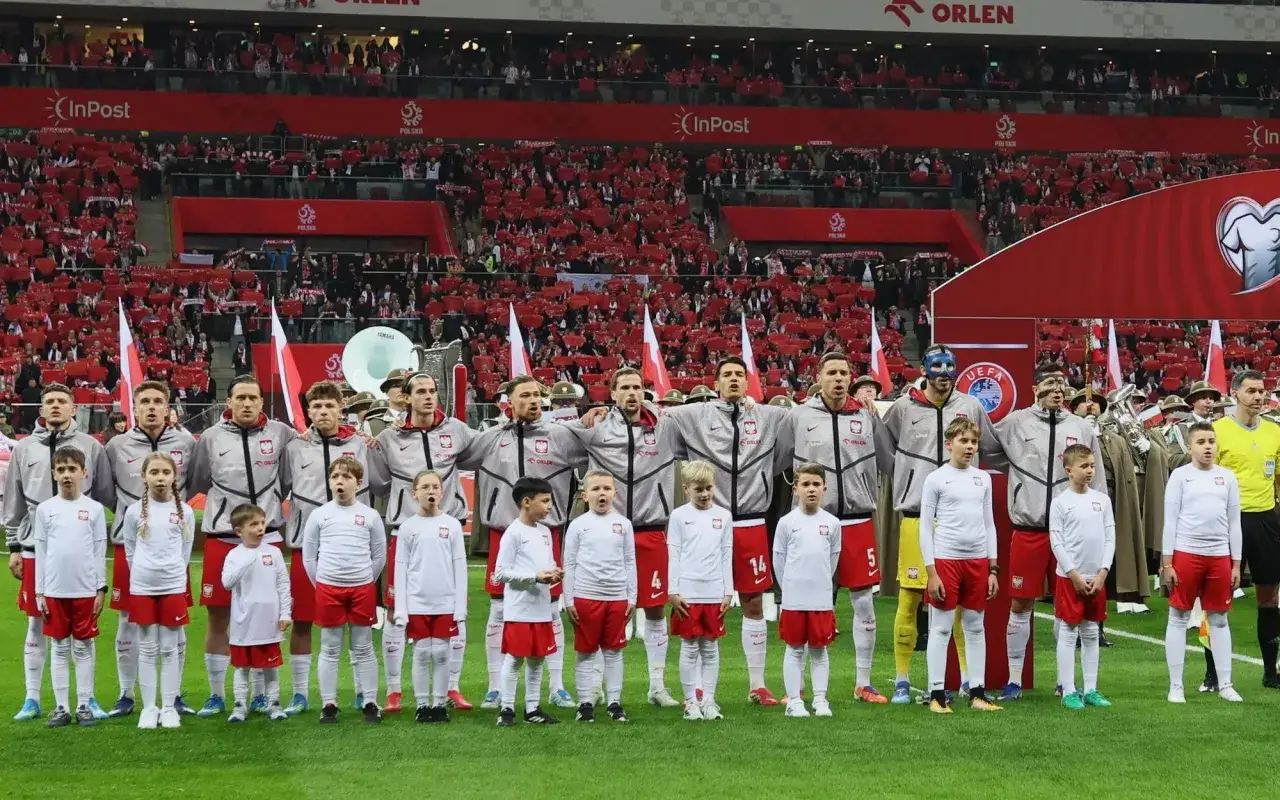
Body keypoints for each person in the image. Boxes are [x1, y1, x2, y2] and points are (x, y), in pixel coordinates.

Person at [658, 357, 794, 706]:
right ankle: (695, 690)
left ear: (748, 383)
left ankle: (757, 685)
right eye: (726, 375)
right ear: (715, 383)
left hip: (750, 522)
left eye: (739, 375)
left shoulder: (768, 415)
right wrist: (598, 413)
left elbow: (805, 418)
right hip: (706, 521)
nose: (733, 379)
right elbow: (656, 415)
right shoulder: (693, 415)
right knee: (698, 606)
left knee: (752, 602)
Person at [457, 375, 586, 710]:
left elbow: (594, 453)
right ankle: (495, 687)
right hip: (504, 532)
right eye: (524, 396)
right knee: (500, 610)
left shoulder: (560, 436)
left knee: (552, 611)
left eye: (536, 396)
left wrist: (596, 418)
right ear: (509, 402)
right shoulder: (490, 438)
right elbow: (455, 457)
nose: (532, 401)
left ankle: (557, 686)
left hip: (548, 533)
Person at [881, 344, 997, 704]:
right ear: (926, 369)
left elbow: (991, 446)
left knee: (963, 606)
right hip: (918, 515)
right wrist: (904, 478)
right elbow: (884, 449)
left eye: (949, 366)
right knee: (911, 597)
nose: (943, 372)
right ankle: (902, 678)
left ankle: (966, 679)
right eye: (937, 365)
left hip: (960, 526)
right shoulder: (903, 407)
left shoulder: (971, 406)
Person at [566, 367, 679, 707]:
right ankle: (597, 686)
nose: (633, 393)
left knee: (656, 610)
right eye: (625, 387)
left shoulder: (666, 426)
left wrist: (747, 403)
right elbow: (552, 434)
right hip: (605, 532)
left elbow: (706, 415)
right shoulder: (594, 428)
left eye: (638, 388)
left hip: (650, 530)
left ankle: (657, 686)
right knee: (601, 611)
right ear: (612, 393)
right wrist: (587, 411)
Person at [188, 375, 298, 719]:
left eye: (253, 398)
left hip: (268, 538)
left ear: (262, 403)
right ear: (229, 403)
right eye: (241, 398)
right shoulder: (210, 437)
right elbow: (199, 480)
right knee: (218, 616)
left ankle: (265, 696)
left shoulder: (281, 434)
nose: (247, 404)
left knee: (267, 616)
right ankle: (218, 694)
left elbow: (291, 474)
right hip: (223, 537)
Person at [997, 363, 1106, 701]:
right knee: (1019, 603)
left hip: (1071, 533)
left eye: (1062, 383)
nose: (1058, 389)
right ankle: (1014, 678)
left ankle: (1065, 682)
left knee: (1067, 607)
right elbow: (984, 448)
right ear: (1035, 388)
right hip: (1029, 528)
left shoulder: (1079, 427)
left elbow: (1097, 475)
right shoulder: (1015, 422)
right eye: (1049, 383)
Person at [5, 383, 113, 722]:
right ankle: (33, 698)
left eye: (61, 402)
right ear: (42, 408)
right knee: (37, 622)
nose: (54, 406)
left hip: (78, 548)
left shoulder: (90, 446)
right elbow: (14, 499)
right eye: (49, 401)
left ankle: (87, 699)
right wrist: (14, 545)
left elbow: (105, 492)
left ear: (72, 407)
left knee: (81, 630)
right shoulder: (24, 449)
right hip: (35, 545)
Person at [790, 352, 893, 704]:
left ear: (850, 378)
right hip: (813, 523)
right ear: (819, 377)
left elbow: (888, 461)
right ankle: (799, 687)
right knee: (812, 603)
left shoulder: (865, 418)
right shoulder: (798, 416)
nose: (838, 378)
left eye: (843, 373)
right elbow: (778, 461)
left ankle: (863, 682)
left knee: (864, 604)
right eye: (831, 372)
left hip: (858, 521)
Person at [281, 381, 387, 716]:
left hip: (355, 557)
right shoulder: (294, 447)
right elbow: (282, 485)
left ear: (342, 408)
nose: (324, 412)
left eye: (330, 406)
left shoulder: (361, 444)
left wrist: (364, 576)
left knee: (361, 637)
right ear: (309, 411)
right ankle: (300, 693)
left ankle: (363, 693)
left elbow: (381, 483)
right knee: (301, 621)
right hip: (307, 547)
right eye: (317, 407)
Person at [373, 371, 474, 713]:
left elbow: (483, 450)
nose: (429, 397)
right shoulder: (388, 437)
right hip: (406, 531)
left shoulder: (456, 430)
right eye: (421, 392)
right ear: (407, 397)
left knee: (454, 609)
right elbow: (375, 479)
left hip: (450, 530)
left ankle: (453, 687)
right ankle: (394, 689)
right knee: (394, 610)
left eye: (432, 391)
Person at [104, 381, 198, 718]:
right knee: (128, 621)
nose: (152, 407)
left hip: (171, 549)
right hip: (131, 546)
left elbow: (196, 482)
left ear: (168, 406)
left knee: (176, 625)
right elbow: (104, 489)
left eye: (158, 401)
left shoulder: (186, 442)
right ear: (135, 406)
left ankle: (174, 696)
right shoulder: (116, 445)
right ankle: (126, 694)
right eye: (145, 402)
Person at [919, 418, 1002, 714]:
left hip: (978, 561)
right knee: (941, 628)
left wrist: (993, 568)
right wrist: (932, 572)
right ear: (949, 443)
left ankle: (977, 691)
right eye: (964, 441)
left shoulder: (983, 479)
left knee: (975, 626)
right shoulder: (936, 479)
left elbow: (989, 524)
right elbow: (925, 528)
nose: (969, 447)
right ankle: (936, 693)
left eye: (974, 442)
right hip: (946, 560)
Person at [1162, 422, 1245, 703]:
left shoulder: (1228, 477)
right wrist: (1167, 563)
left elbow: (1235, 523)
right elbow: (1169, 521)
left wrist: (1236, 564)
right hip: (1186, 554)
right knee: (1178, 617)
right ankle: (1176, 686)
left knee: (1219, 620)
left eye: (1211, 441)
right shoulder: (1180, 477)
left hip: (1219, 556)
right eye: (1201, 442)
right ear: (1189, 446)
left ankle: (1226, 684)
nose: (1208, 446)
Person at [302, 457, 387, 724]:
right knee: (329, 647)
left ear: (359, 483)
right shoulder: (319, 514)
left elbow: (379, 556)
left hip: (362, 588)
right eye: (336, 477)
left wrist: (363, 580)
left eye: (347, 477)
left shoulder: (370, 515)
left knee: (363, 647)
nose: (340, 481)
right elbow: (309, 557)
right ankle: (329, 703)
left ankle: (370, 701)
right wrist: (324, 583)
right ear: (329, 481)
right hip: (328, 588)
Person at [1212, 370, 1280, 690]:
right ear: (1235, 394)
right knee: (1218, 597)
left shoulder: (1274, 432)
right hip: (1229, 520)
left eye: (1262, 391)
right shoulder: (1217, 431)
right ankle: (1213, 675)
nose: (1258, 397)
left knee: (1269, 596)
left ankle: (1270, 672)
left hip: (1266, 519)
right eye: (1252, 391)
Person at [32, 447, 108, 728]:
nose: (67, 475)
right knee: (60, 648)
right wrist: (39, 591)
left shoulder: (94, 509)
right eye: (61, 469)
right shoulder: (45, 510)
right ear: (54, 473)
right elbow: (41, 550)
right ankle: (61, 707)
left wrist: (101, 588)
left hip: (85, 591)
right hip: (54, 590)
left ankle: (85, 704)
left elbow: (100, 550)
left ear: (83, 473)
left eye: (72, 469)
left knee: (84, 648)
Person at [121, 452, 196, 730]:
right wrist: (143, 573)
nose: (160, 478)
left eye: (165, 472)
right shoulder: (132, 512)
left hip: (173, 586)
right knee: (148, 648)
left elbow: (185, 550)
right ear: (144, 477)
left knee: (169, 649)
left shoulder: (185, 511)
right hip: (142, 586)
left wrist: (174, 574)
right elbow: (130, 549)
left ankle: (168, 707)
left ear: (174, 476)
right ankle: (149, 708)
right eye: (154, 473)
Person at [392, 470, 467, 724]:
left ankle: (439, 704)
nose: (431, 491)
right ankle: (422, 705)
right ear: (415, 494)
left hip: (445, 601)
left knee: (442, 653)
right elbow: (400, 568)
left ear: (442, 492)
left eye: (435, 487)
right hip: (417, 602)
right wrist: (401, 608)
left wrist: (460, 605)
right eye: (425, 487)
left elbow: (460, 566)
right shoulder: (407, 528)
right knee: (423, 652)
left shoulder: (452, 525)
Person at [563, 471, 637, 723]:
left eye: (606, 488)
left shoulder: (624, 524)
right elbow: (569, 563)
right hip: (586, 596)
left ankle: (615, 703)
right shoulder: (578, 524)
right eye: (595, 489)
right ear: (585, 495)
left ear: (615, 493)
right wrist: (569, 599)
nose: (601, 493)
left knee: (614, 652)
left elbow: (629, 562)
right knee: (586, 652)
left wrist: (632, 597)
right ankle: (585, 703)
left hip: (616, 597)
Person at [493, 476, 564, 727]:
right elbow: (500, 573)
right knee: (515, 659)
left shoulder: (545, 532)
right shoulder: (513, 533)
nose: (549, 507)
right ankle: (507, 709)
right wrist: (534, 577)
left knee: (537, 659)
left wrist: (554, 572)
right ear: (526, 502)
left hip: (541, 608)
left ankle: (532, 708)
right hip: (520, 609)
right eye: (544, 501)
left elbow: (547, 564)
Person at [1049, 444, 1116, 710]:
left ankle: (1091, 688)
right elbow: (1057, 542)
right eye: (1084, 466)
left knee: (1090, 631)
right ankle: (1068, 689)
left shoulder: (1102, 500)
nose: (1090, 471)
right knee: (1068, 632)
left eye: (1092, 465)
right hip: (1070, 577)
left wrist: (1103, 572)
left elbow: (1110, 536)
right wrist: (1073, 574)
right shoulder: (1061, 503)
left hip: (1096, 576)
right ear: (1069, 470)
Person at [667, 460, 733, 721]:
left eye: (708, 488)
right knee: (689, 647)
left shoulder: (723, 516)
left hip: (714, 591)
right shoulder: (679, 516)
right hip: (688, 593)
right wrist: (673, 590)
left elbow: (727, 554)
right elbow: (674, 553)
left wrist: (728, 590)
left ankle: (709, 701)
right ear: (686, 489)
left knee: (710, 648)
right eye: (698, 489)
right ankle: (690, 702)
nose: (705, 494)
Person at [773, 463, 841, 718]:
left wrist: (820, 583)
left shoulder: (833, 523)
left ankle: (820, 699)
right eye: (805, 484)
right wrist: (790, 587)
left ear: (824, 488)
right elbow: (779, 560)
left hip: (821, 598)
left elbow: (833, 558)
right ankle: (794, 700)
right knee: (794, 648)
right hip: (794, 598)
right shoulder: (786, 523)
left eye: (816, 485)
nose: (811, 490)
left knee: (819, 649)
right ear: (795, 489)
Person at [221, 504, 292, 723]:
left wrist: (285, 613)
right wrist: (248, 558)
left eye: (262, 523)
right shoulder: (234, 555)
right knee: (242, 666)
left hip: (269, 620)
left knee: (270, 665)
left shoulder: (274, 553)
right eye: (254, 524)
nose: (260, 528)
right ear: (239, 531)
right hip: (243, 622)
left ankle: (274, 703)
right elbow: (227, 583)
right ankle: (240, 704)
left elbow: (283, 584)